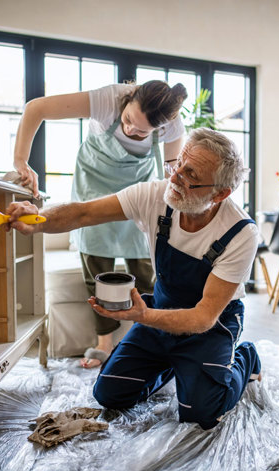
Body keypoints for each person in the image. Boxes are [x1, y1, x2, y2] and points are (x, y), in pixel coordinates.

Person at [6, 128, 261, 430]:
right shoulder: (156, 196)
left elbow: (204, 317)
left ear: (219, 193)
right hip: (161, 311)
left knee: (202, 414)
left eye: (190, 173)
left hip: (211, 325)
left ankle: (247, 357)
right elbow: (84, 213)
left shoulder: (240, 233)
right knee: (109, 395)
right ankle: (174, 363)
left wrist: (143, 315)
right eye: (177, 163)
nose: (175, 176)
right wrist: (38, 220)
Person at [12, 80, 188, 368]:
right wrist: (21, 160)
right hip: (94, 185)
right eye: (129, 120)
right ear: (128, 100)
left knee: (146, 273)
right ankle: (104, 342)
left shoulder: (172, 125)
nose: (131, 130)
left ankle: (152, 341)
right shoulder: (108, 100)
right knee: (98, 270)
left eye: (143, 131)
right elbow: (37, 108)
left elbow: (171, 176)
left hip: (137, 192)